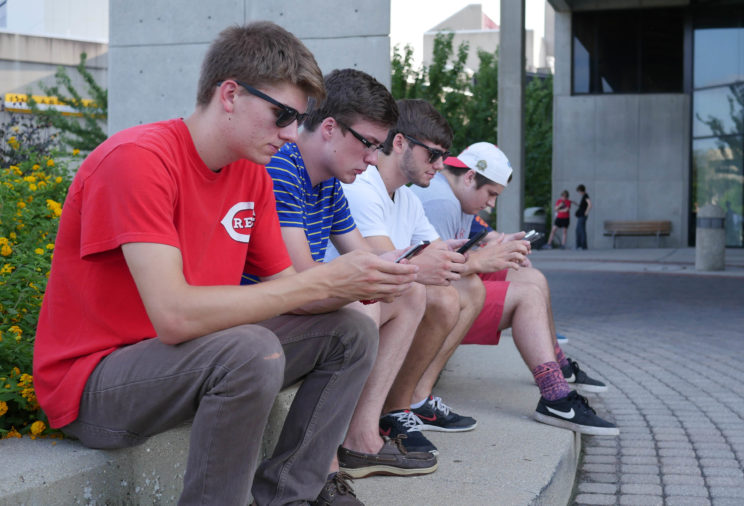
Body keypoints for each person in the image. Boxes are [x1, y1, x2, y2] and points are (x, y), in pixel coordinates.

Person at [32, 22, 419, 506]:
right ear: (230, 94)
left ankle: (290, 494)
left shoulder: (250, 175)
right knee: (250, 349)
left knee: (351, 330)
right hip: (94, 385)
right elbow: (173, 317)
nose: (289, 135)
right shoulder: (138, 159)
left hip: (185, 360)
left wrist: (361, 283)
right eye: (281, 114)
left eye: (296, 120)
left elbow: (287, 292)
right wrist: (319, 281)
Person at [259, 69, 465, 486]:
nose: (373, 159)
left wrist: (410, 268)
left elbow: (367, 255)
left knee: (407, 295)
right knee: (359, 307)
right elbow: (300, 280)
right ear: (330, 129)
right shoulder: (284, 168)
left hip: (293, 311)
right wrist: (407, 267)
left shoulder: (330, 183)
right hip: (264, 316)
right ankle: (323, 462)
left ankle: (361, 435)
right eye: (369, 144)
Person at [410, 141, 617, 436]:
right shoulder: (440, 201)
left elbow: (460, 251)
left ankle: (559, 370)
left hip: (449, 290)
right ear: (469, 177)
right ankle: (556, 398)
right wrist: (483, 260)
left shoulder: (454, 195)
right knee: (527, 296)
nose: (492, 203)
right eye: (491, 194)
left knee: (533, 280)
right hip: (432, 308)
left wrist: (497, 248)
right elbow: (436, 276)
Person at [323, 100, 487, 455]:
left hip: (361, 300)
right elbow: (385, 262)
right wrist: (467, 259)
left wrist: (455, 256)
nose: (441, 165)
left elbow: (434, 255)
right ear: (399, 144)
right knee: (420, 290)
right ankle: (386, 414)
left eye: (444, 156)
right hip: (342, 303)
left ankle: (401, 406)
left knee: (449, 289)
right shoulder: (359, 186)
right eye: (432, 155)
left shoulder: (409, 200)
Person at [575, 184, 592, 250]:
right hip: (581, 216)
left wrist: (586, 212)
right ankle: (581, 246)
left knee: (580, 230)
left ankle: (581, 246)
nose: (579, 193)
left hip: (582, 216)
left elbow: (590, 205)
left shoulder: (585, 196)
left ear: (581, 190)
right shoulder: (584, 196)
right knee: (580, 230)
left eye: (579, 191)